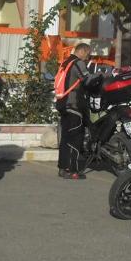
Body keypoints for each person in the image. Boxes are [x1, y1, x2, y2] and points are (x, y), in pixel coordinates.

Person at [55, 41, 96, 180]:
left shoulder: (65, 63)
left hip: (63, 105)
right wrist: (101, 77)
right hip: (74, 107)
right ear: (82, 51)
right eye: (88, 55)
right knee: (75, 139)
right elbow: (87, 80)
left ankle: (62, 168)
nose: (88, 58)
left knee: (66, 138)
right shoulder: (78, 63)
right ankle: (72, 170)